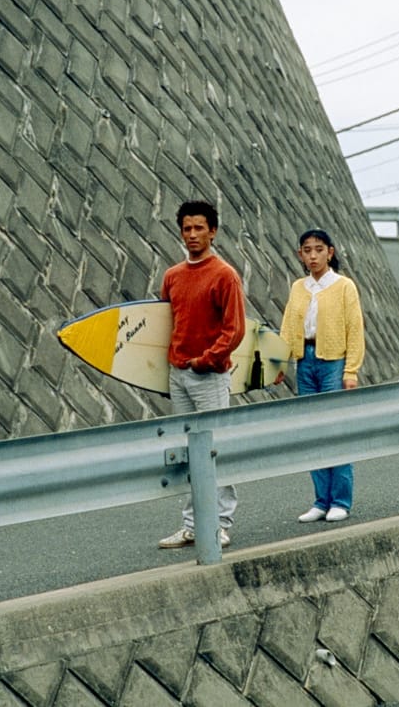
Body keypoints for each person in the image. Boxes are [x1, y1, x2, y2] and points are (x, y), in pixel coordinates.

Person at [157, 199, 247, 549]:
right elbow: (165, 323)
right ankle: (193, 525)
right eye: (186, 228)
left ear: (213, 231)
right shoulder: (172, 276)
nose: (192, 234)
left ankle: (220, 523)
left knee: (213, 450)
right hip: (178, 375)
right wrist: (172, 366)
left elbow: (234, 329)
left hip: (208, 376)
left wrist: (205, 360)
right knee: (188, 452)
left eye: (199, 228)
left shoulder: (225, 275)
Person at [278, 228, 366, 523]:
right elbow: (289, 326)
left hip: (333, 362)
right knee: (312, 431)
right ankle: (320, 500)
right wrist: (280, 362)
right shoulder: (298, 287)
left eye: (318, 249)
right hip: (306, 361)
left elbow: (355, 329)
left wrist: (351, 370)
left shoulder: (344, 286)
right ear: (299, 255)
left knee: (335, 429)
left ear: (330, 252)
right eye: (307, 250)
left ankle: (340, 500)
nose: (312, 255)